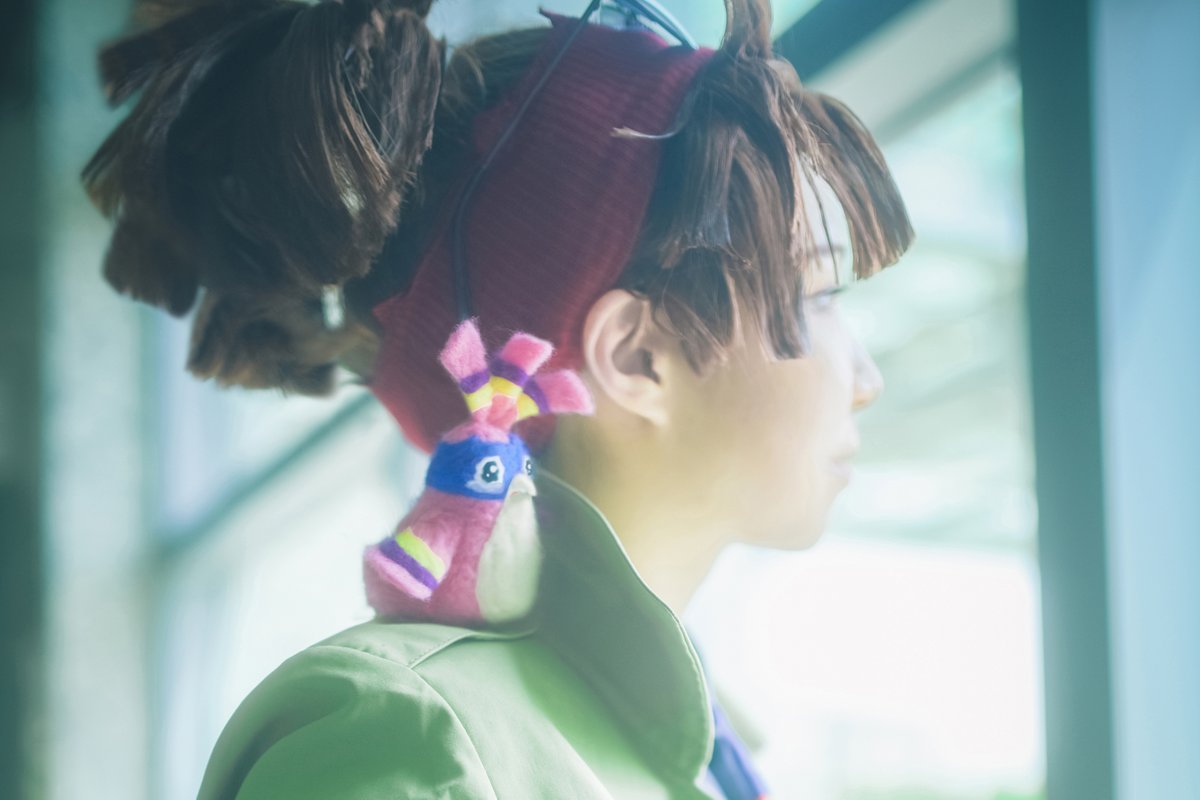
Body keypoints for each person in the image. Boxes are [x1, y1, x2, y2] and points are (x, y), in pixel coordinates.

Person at [82, 0, 913, 796]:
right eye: (818, 295)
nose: (865, 379)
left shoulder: (696, 749)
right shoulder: (415, 746)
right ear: (636, 356)